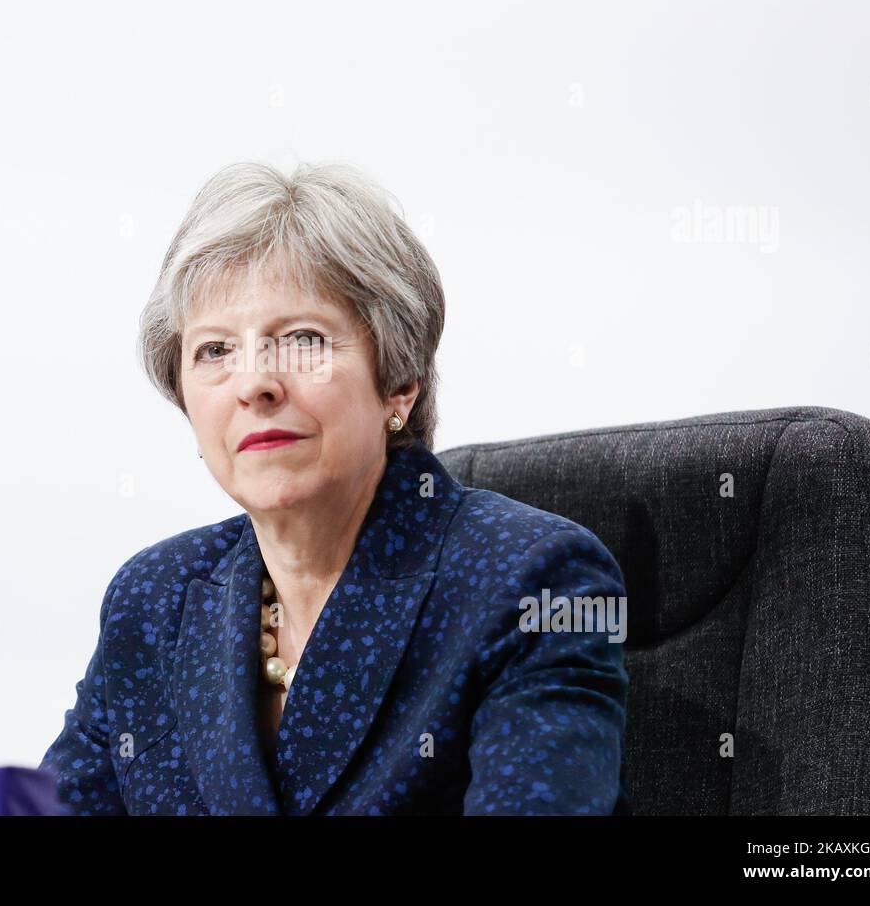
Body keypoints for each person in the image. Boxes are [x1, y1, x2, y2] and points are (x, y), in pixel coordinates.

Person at [40, 161, 630, 814]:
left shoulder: (531, 578)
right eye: (214, 351)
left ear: (400, 382)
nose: (253, 383)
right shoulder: (152, 600)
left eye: (301, 340)